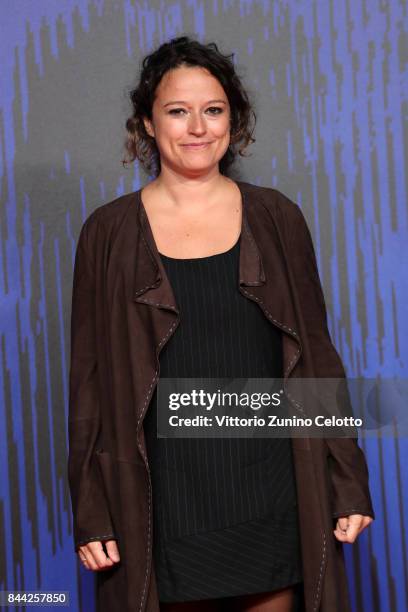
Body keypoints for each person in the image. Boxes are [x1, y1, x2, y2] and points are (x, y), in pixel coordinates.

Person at [68, 36, 374, 612]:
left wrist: (348, 480)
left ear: (234, 121)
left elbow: (318, 357)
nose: (198, 127)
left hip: (271, 487)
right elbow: (87, 384)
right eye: (178, 111)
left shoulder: (277, 216)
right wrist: (91, 507)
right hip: (163, 501)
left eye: (213, 110)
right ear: (147, 124)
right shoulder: (106, 233)